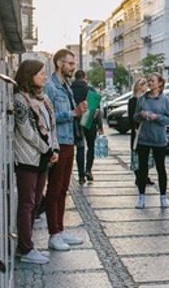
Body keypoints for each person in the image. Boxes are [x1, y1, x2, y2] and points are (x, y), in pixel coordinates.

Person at [13, 59, 58, 264]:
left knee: (37, 201)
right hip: (27, 157)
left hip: (44, 157)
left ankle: (27, 243)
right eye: (41, 73)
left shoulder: (44, 97)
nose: (45, 76)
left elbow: (52, 125)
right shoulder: (20, 99)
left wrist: (54, 148)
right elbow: (27, 132)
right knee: (27, 202)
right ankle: (25, 247)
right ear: (29, 75)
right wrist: (47, 150)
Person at [43, 49, 87, 252]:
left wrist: (80, 111)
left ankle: (60, 229)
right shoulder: (50, 86)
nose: (73, 67)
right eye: (70, 63)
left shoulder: (66, 85)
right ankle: (53, 234)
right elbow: (47, 115)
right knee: (54, 189)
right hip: (57, 142)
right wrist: (72, 112)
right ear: (60, 63)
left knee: (63, 189)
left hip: (69, 140)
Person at [133, 73, 169, 209]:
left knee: (161, 168)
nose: (150, 83)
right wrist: (141, 115)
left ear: (160, 83)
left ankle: (163, 197)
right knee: (142, 169)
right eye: (149, 81)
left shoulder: (165, 100)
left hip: (159, 139)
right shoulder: (142, 99)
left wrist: (157, 117)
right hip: (144, 139)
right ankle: (141, 197)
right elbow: (135, 117)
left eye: (153, 81)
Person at [72, 69, 104, 185]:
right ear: (84, 77)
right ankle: (88, 170)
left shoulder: (71, 89)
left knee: (80, 147)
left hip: (76, 121)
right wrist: (100, 125)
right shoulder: (90, 89)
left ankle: (81, 176)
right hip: (89, 120)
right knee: (91, 146)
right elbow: (96, 108)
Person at [128, 78, 153, 185]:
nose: (147, 86)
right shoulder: (133, 100)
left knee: (146, 154)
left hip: (146, 129)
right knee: (136, 153)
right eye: (144, 84)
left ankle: (145, 176)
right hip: (137, 131)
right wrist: (135, 127)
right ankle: (139, 177)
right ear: (139, 86)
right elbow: (131, 116)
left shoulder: (147, 99)